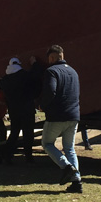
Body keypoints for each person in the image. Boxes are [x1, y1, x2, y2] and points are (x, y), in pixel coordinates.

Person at [39, 44, 83, 193]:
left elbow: (51, 91)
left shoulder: (51, 71)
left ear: (52, 57)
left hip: (57, 115)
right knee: (69, 148)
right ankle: (77, 182)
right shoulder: (74, 72)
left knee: (47, 143)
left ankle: (66, 166)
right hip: (74, 115)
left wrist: (42, 105)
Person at [0, 57, 40, 164]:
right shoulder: (24, 75)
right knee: (28, 134)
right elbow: (36, 75)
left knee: (14, 133)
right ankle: (29, 157)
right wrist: (34, 63)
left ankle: (7, 156)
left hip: (14, 111)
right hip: (27, 109)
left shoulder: (5, 80)